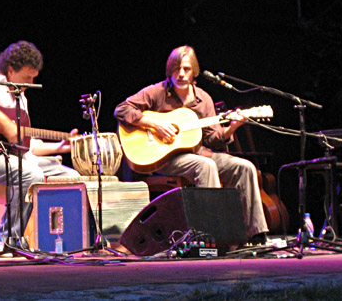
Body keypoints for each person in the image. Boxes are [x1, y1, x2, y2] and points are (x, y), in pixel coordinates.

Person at [114, 45, 269, 244]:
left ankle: (256, 234)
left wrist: (232, 127)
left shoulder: (203, 99)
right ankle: (213, 235)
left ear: (194, 71)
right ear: (169, 71)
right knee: (205, 166)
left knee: (244, 167)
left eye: (186, 69)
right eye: (176, 69)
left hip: (198, 153)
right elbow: (121, 109)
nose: (180, 74)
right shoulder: (157, 92)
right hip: (164, 157)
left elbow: (214, 138)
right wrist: (154, 123)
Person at [0, 40, 80, 252]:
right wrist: (5, 124)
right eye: (27, 77)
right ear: (11, 69)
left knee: (71, 178)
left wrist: (62, 147)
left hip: (16, 159)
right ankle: (4, 241)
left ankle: (58, 241)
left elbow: (26, 147)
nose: (31, 82)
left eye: (34, 77)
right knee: (29, 173)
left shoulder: (21, 99)